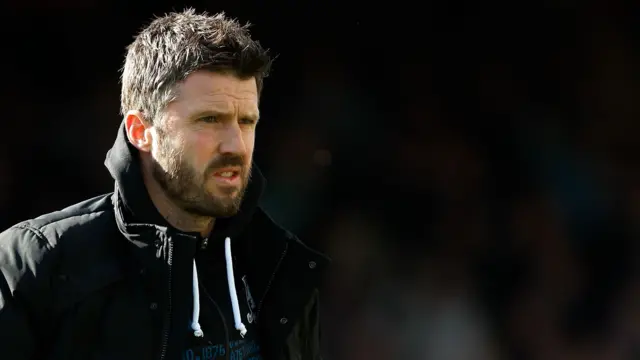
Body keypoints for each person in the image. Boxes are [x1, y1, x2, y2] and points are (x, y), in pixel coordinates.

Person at [0, 9, 328, 360]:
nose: (235, 144)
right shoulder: (37, 264)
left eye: (246, 121)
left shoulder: (280, 263)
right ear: (140, 131)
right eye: (210, 119)